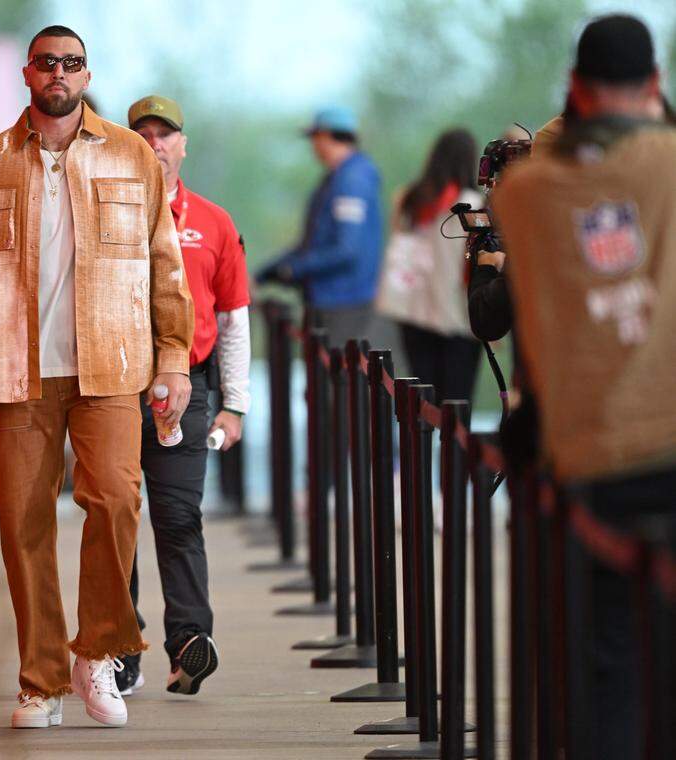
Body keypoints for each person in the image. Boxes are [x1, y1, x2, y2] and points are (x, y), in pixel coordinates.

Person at [0, 25, 194, 729]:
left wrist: (174, 359)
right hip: (17, 372)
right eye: (48, 63)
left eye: (72, 64)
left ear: (85, 73)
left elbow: (166, 265)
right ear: (28, 73)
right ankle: (39, 680)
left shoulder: (133, 156)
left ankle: (98, 653)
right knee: (24, 524)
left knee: (115, 500)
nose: (60, 75)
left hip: (110, 366)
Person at [490, 14, 676, 759]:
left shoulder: (526, 197)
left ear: (573, 90)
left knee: (604, 666)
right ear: (656, 87)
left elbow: (509, 315)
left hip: (591, 461)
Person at [116, 95, 252, 697]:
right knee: (114, 520)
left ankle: (189, 644)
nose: (154, 143)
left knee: (178, 517)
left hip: (186, 391)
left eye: (164, 133)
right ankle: (119, 646)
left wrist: (236, 403)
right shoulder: (104, 215)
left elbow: (234, 321)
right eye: (140, 133)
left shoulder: (215, 223)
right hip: (111, 390)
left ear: (183, 144)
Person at [256, 106, 383, 347]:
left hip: (343, 302)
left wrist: (293, 269)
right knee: (325, 382)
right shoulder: (337, 178)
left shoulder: (351, 181)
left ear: (326, 136)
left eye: (314, 138)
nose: (312, 145)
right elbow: (313, 243)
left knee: (338, 382)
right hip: (331, 300)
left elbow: (346, 250)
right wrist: (270, 271)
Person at [375, 128, 482, 402]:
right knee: (457, 404)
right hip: (458, 316)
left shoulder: (409, 200)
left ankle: (421, 446)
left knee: (422, 403)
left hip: (413, 312)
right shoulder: (474, 206)